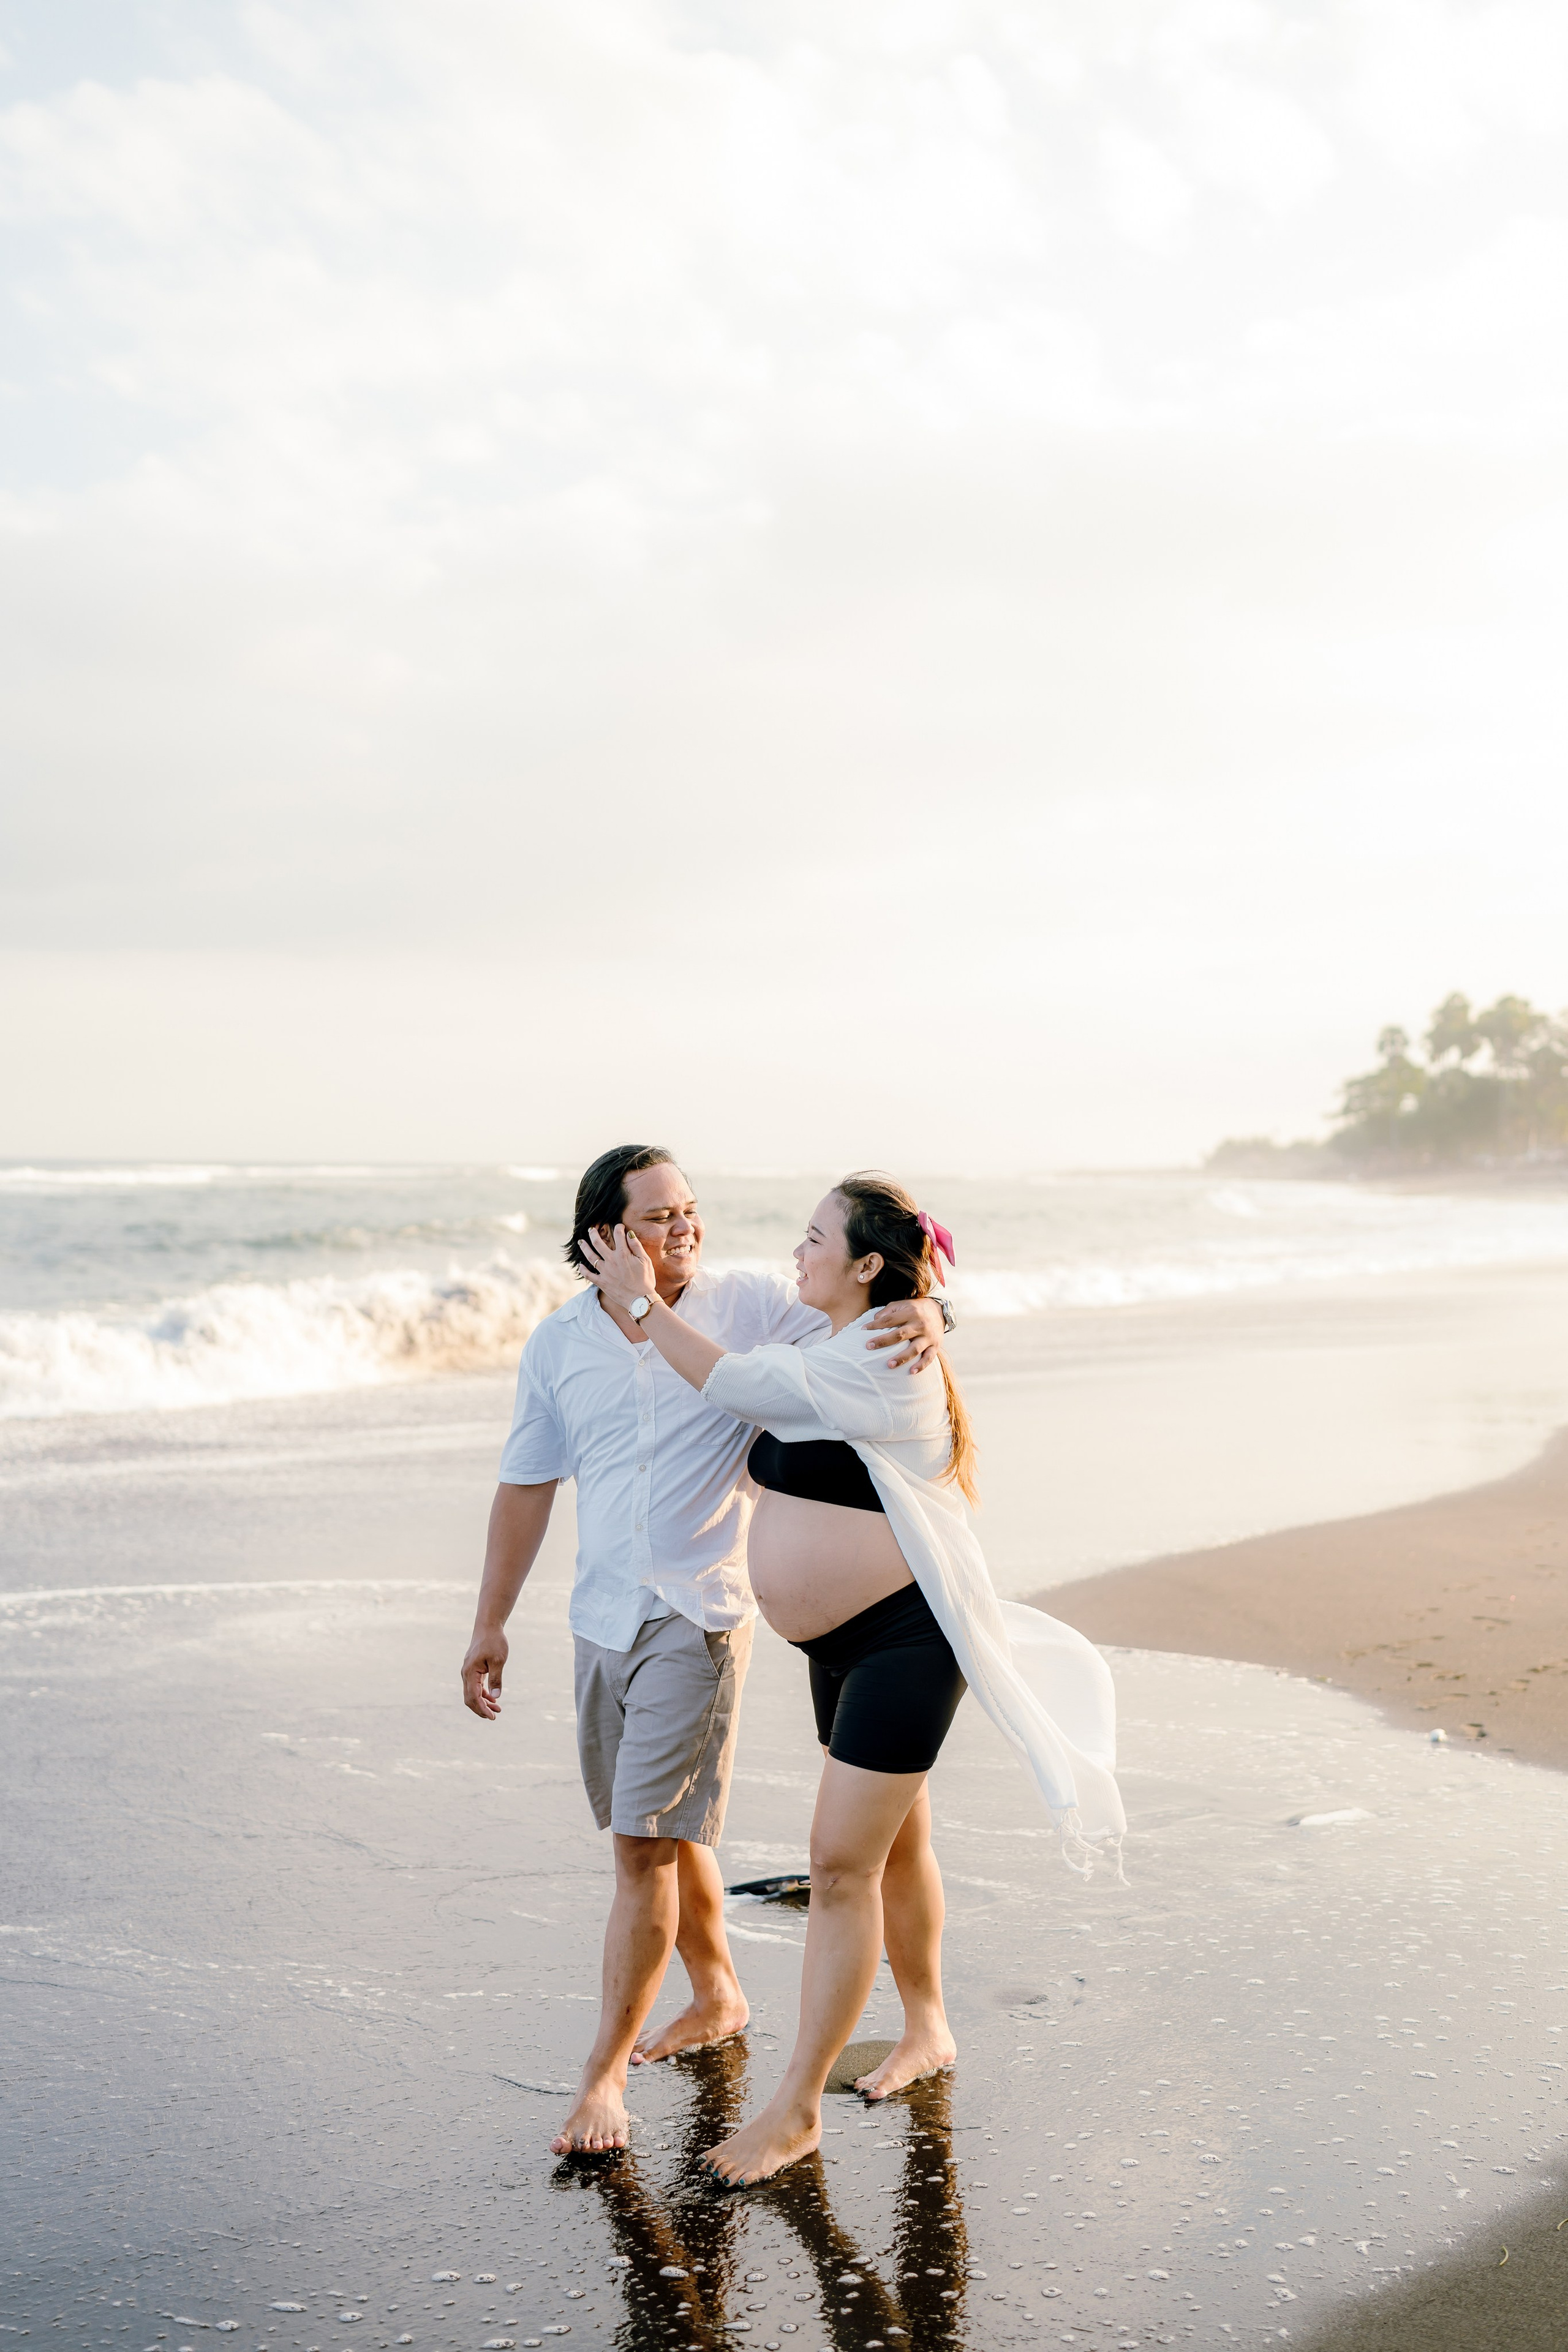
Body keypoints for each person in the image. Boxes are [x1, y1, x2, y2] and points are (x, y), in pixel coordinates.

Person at [582, 1170, 1125, 2186]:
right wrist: (937, 1304)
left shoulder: (875, 1357)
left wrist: (642, 1306)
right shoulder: (845, 1336)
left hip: (904, 1639)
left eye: (815, 1239)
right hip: (840, 1646)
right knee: (898, 1841)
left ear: (867, 1265)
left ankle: (795, 2111)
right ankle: (927, 2027)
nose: (797, 1251)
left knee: (838, 1868)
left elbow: (728, 1382)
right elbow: (782, 1358)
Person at [459, 1146, 949, 2156]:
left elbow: (873, 1309)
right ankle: (720, 1993)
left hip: (701, 1612)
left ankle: (603, 2078)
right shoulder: (557, 1344)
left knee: (641, 1847)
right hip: (603, 1617)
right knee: (670, 1835)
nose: (684, 1228)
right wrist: (490, 1621)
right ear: (604, 1236)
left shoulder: (751, 1306)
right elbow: (527, 1484)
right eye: (659, 1216)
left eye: (690, 1209)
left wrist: (935, 1310)